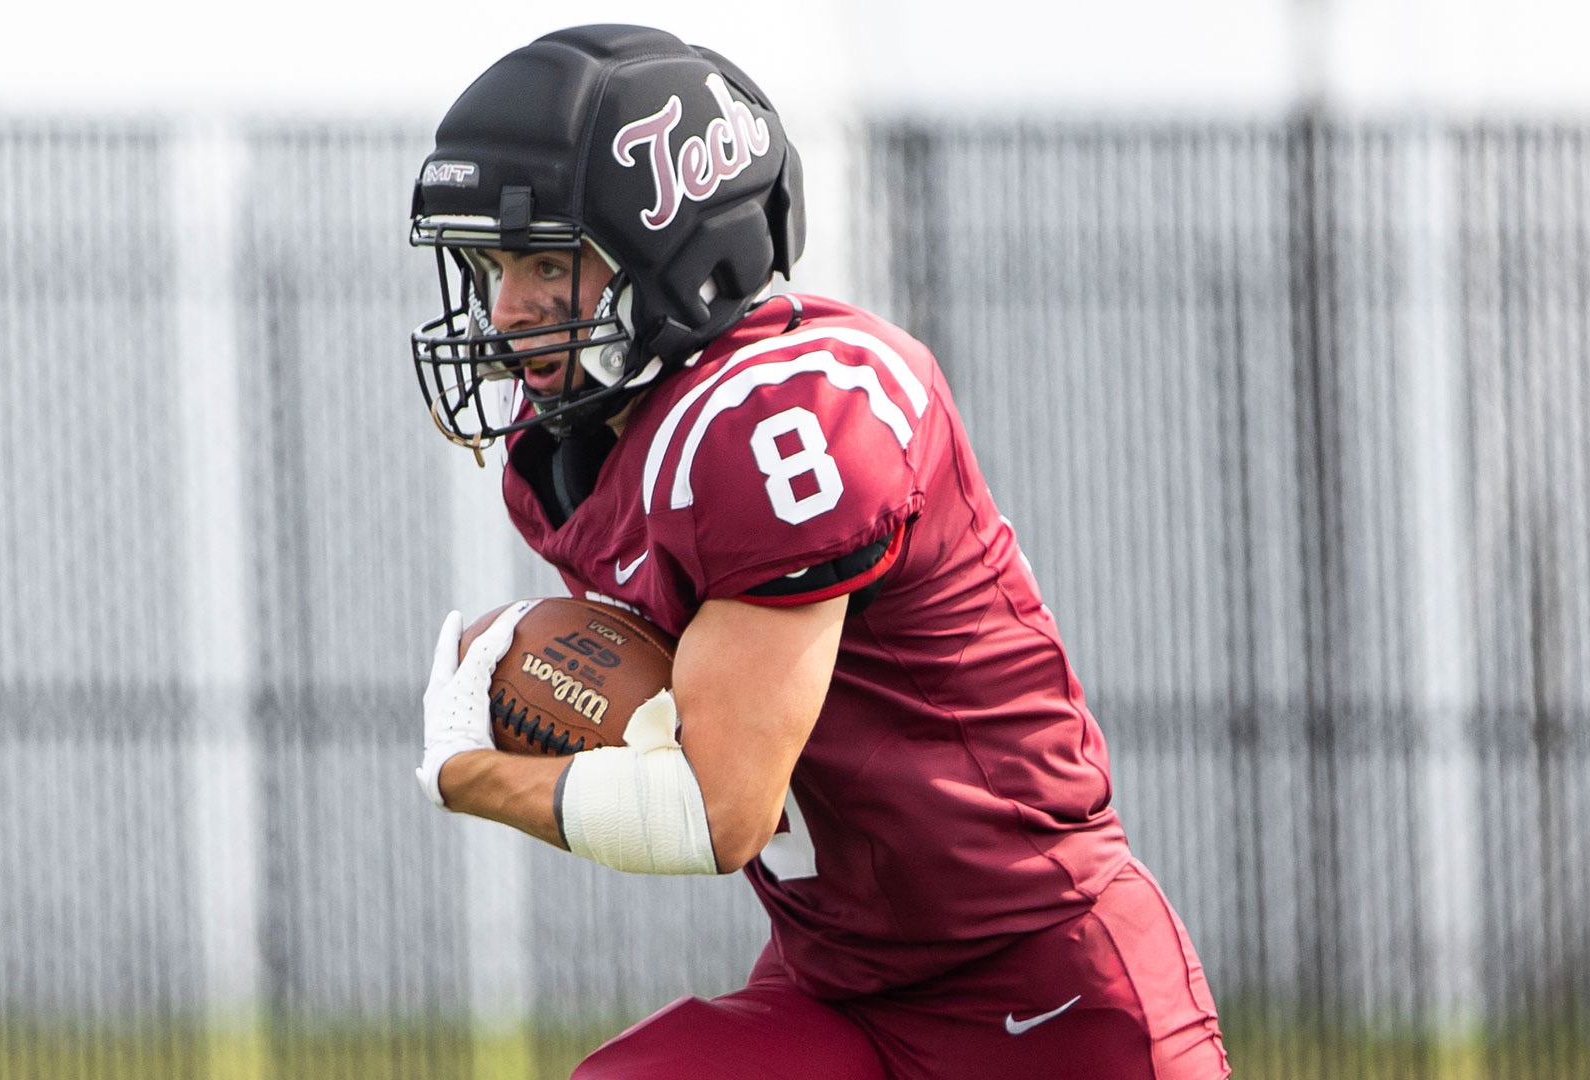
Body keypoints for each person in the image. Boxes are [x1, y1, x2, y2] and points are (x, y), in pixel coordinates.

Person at [407, 23, 1229, 1080]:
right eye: (488, 265)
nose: (504, 310)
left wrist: (477, 777)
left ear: (671, 258)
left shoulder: (786, 423)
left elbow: (716, 810)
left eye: (544, 262)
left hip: (1041, 993)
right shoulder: (570, 452)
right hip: (839, 987)